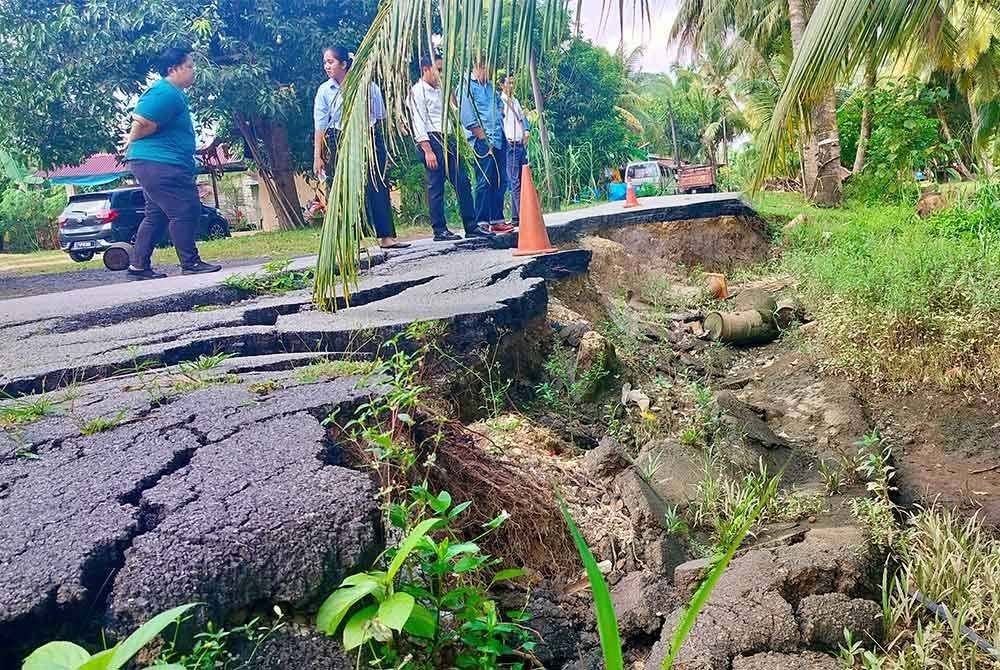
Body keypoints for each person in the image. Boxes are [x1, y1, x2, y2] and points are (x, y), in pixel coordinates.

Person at [124, 47, 221, 279]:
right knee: (186, 209)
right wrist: (132, 137)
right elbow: (142, 119)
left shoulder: (172, 93)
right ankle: (190, 262)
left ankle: (138, 266)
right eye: (189, 66)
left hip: (153, 162)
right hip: (160, 163)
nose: (193, 71)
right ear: (173, 69)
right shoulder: (164, 91)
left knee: (155, 214)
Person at [313, 46, 408, 250]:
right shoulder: (324, 91)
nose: (326, 66)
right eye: (325, 62)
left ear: (344, 64)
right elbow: (320, 125)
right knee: (346, 189)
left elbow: (380, 115)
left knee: (378, 184)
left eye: (330, 62)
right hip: (340, 138)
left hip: (369, 135)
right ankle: (352, 241)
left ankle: (386, 236)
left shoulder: (367, 86)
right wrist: (317, 156)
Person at [407, 55, 480, 241]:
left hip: (448, 137)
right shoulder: (417, 92)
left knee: (462, 181)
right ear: (426, 70)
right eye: (438, 70)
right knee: (436, 185)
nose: (441, 74)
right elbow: (418, 122)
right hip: (431, 138)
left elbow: (453, 112)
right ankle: (439, 229)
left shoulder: (441, 90)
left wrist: (449, 92)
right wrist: (427, 149)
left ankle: (471, 226)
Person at [460, 58, 514, 233]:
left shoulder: (490, 87)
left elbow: (500, 106)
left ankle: (496, 219)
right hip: (482, 140)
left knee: (500, 180)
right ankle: (482, 220)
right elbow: (467, 116)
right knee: (483, 180)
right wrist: (482, 137)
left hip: (498, 137)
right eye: (487, 69)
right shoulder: (466, 86)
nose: (489, 73)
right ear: (478, 67)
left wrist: (498, 116)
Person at [499, 73, 530, 226]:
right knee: (514, 181)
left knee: (521, 179)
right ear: (502, 85)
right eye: (509, 83)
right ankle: (523, 215)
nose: (511, 86)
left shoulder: (515, 101)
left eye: (513, 83)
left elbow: (522, 117)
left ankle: (517, 216)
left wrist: (526, 131)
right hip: (510, 144)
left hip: (520, 144)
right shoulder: (500, 101)